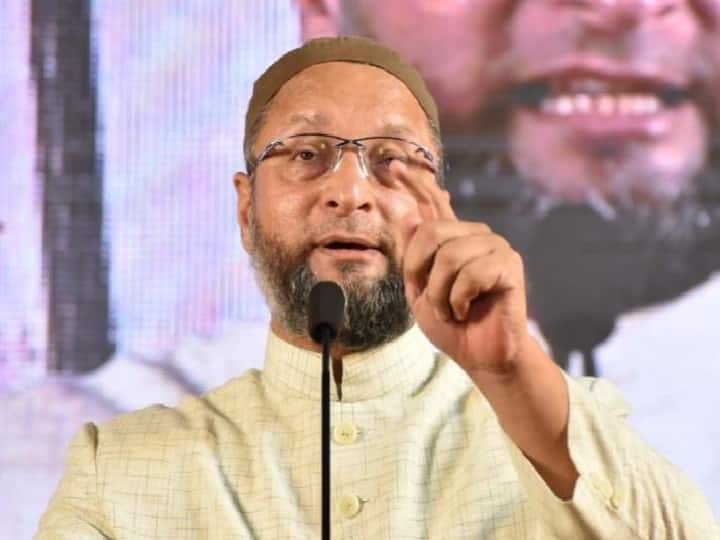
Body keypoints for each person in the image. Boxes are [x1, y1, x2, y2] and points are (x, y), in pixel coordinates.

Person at [36, 37, 719, 539]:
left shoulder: (550, 425)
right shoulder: (124, 468)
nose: (351, 191)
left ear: (440, 208)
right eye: (307, 154)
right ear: (246, 210)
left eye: (392, 160)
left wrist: (511, 372)